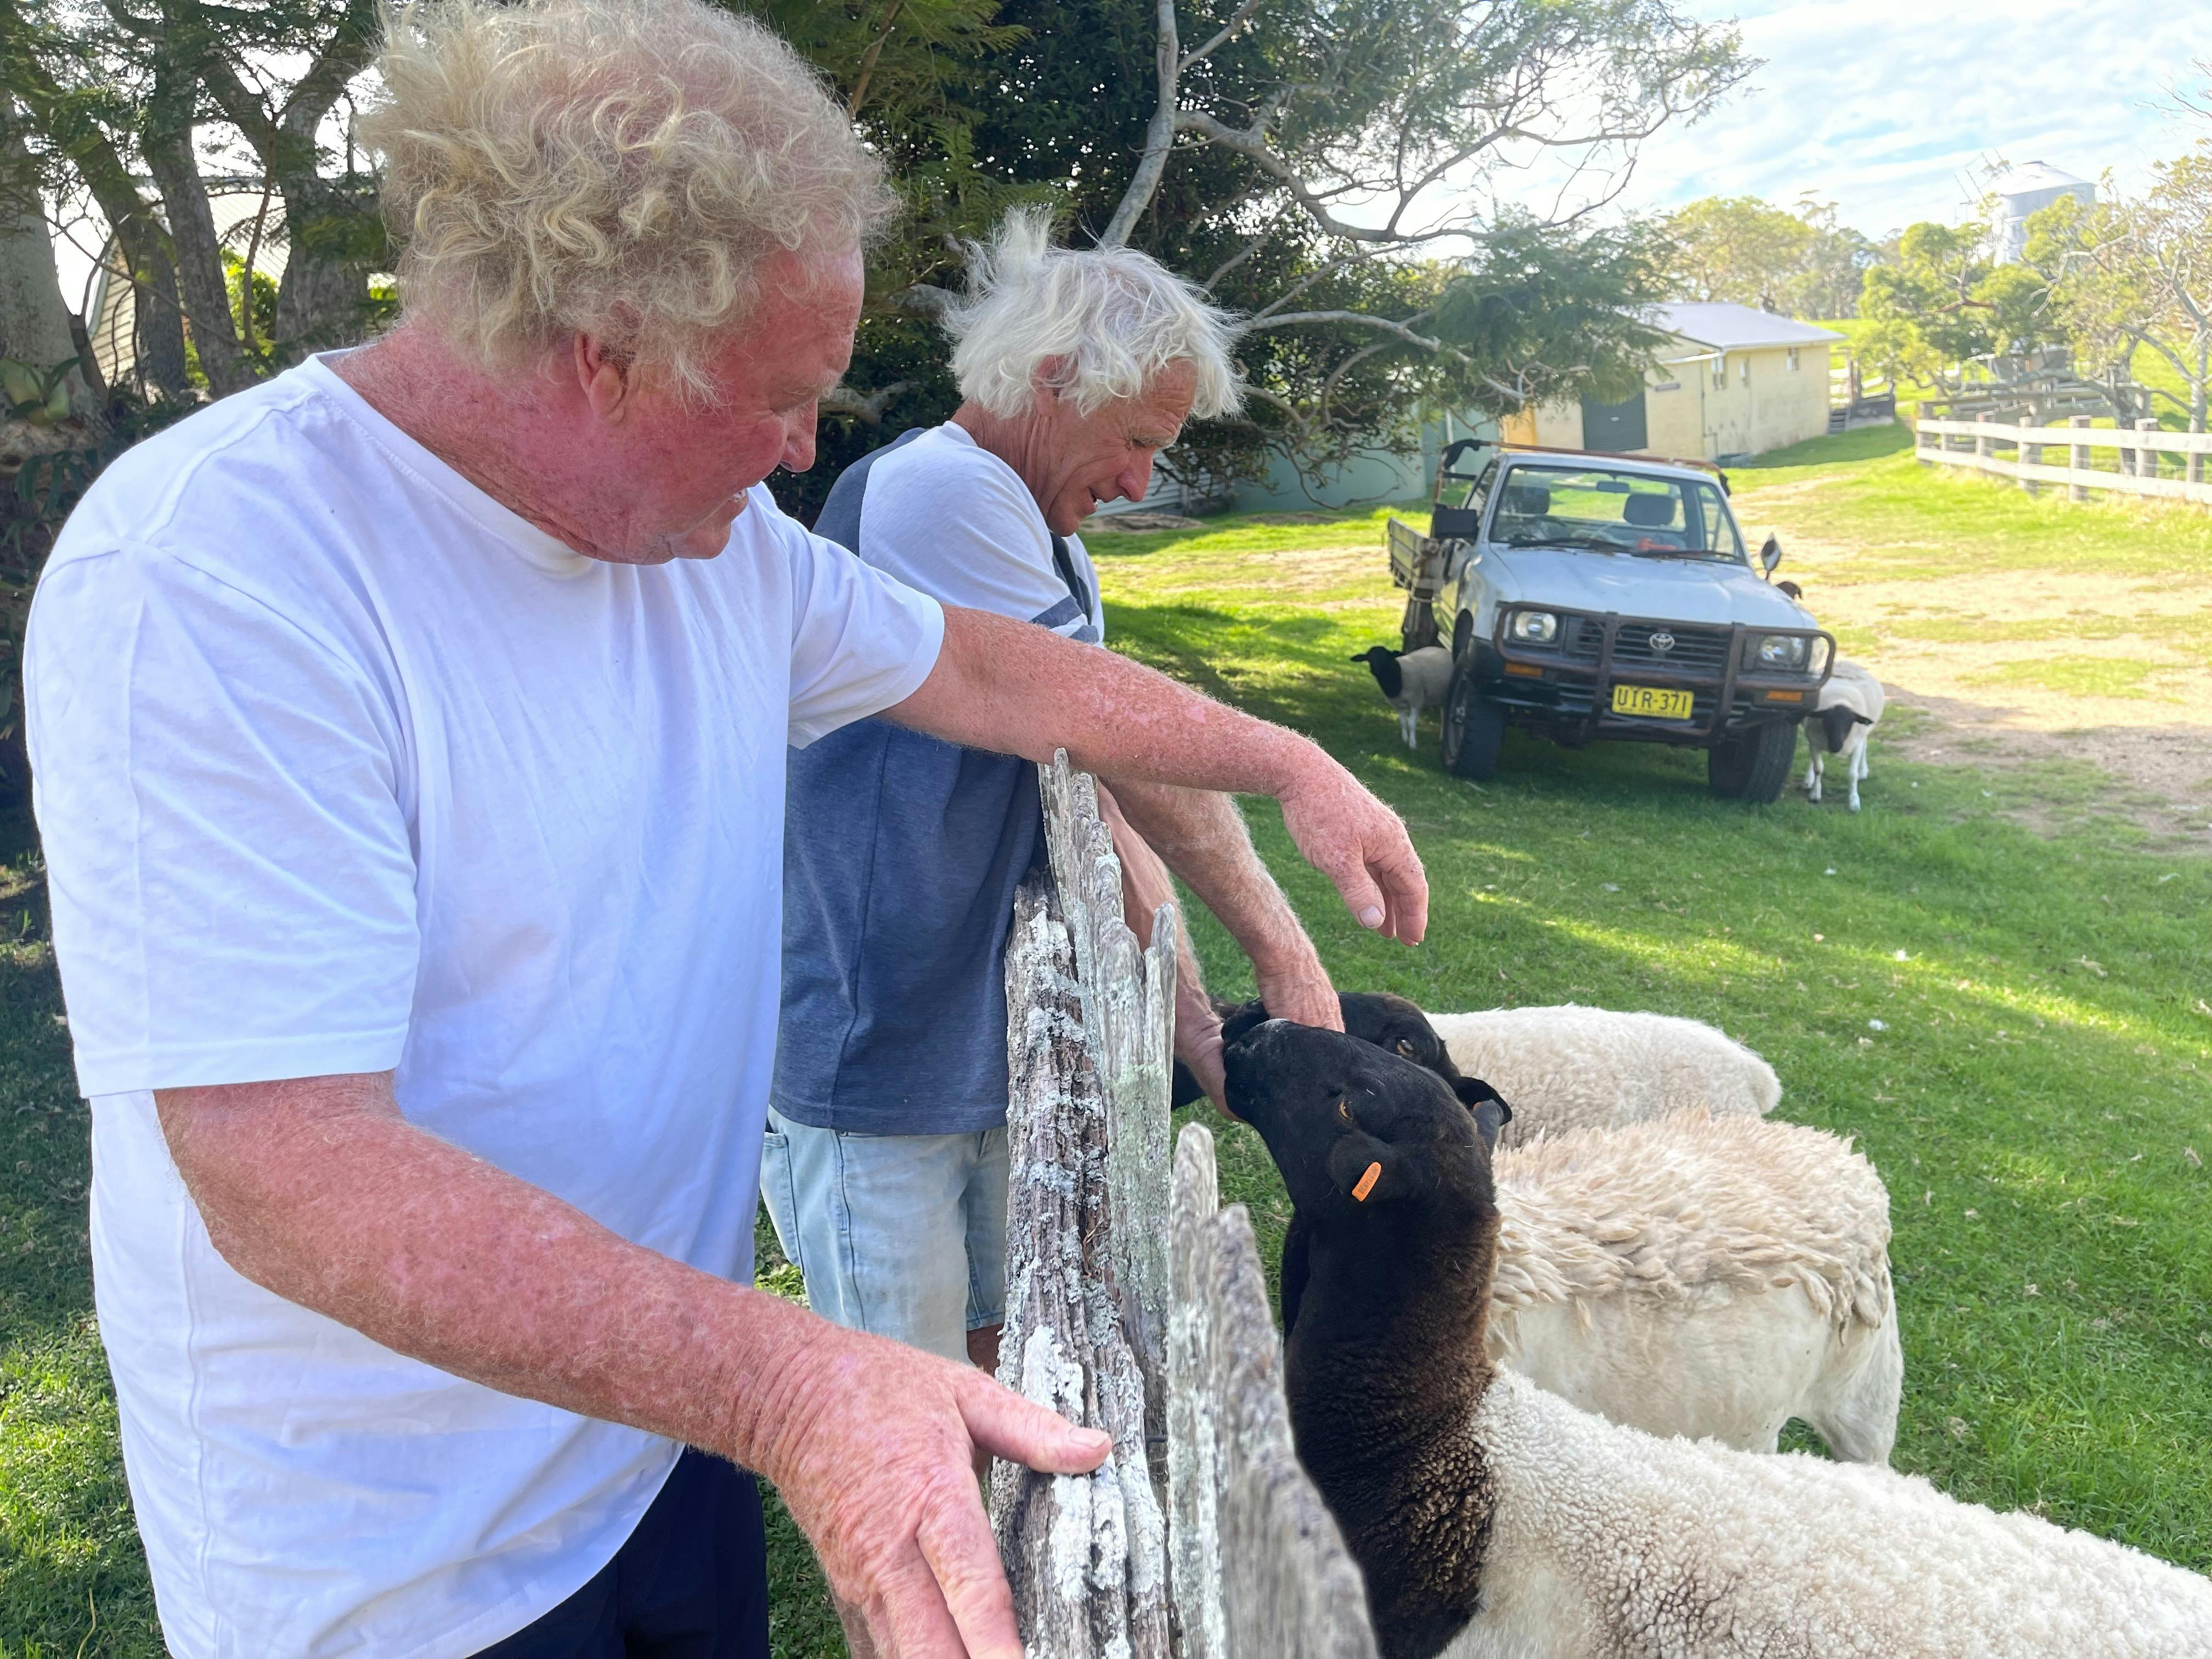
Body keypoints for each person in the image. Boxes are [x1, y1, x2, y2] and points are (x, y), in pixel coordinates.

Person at [20, 3, 1427, 1658]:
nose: (805, 450)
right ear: (599, 348)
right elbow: (284, 1172)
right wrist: (789, 1386)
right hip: (391, 1566)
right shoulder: (216, 574)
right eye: (782, 397)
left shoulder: (721, 546)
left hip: (654, 1432)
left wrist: (1284, 759)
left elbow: (989, 667)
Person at [769, 214, 1348, 1435]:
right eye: (1135, 441)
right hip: (877, 1052)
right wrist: (1284, 951)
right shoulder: (938, 494)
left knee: (997, 1387)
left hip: (973, 1041)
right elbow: (1133, 753)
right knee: (904, 1429)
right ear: (1049, 381)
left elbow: (1091, 798)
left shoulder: (1045, 535)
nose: (1141, 482)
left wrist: (1194, 1024)